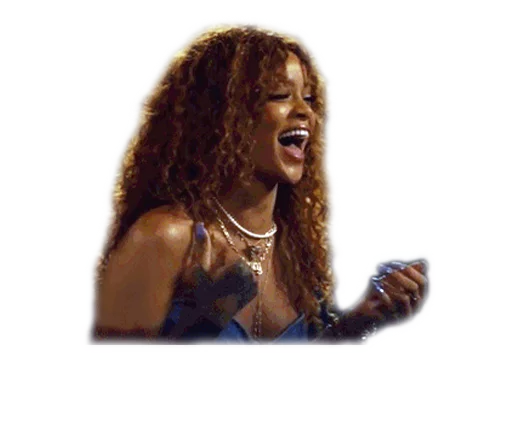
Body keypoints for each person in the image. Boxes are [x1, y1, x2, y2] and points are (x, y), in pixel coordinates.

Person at [93, 21, 427, 343]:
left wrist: (361, 321)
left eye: (309, 98)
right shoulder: (167, 237)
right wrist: (202, 324)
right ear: (222, 115)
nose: (305, 112)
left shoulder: (296, 249)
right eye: (280, 95)